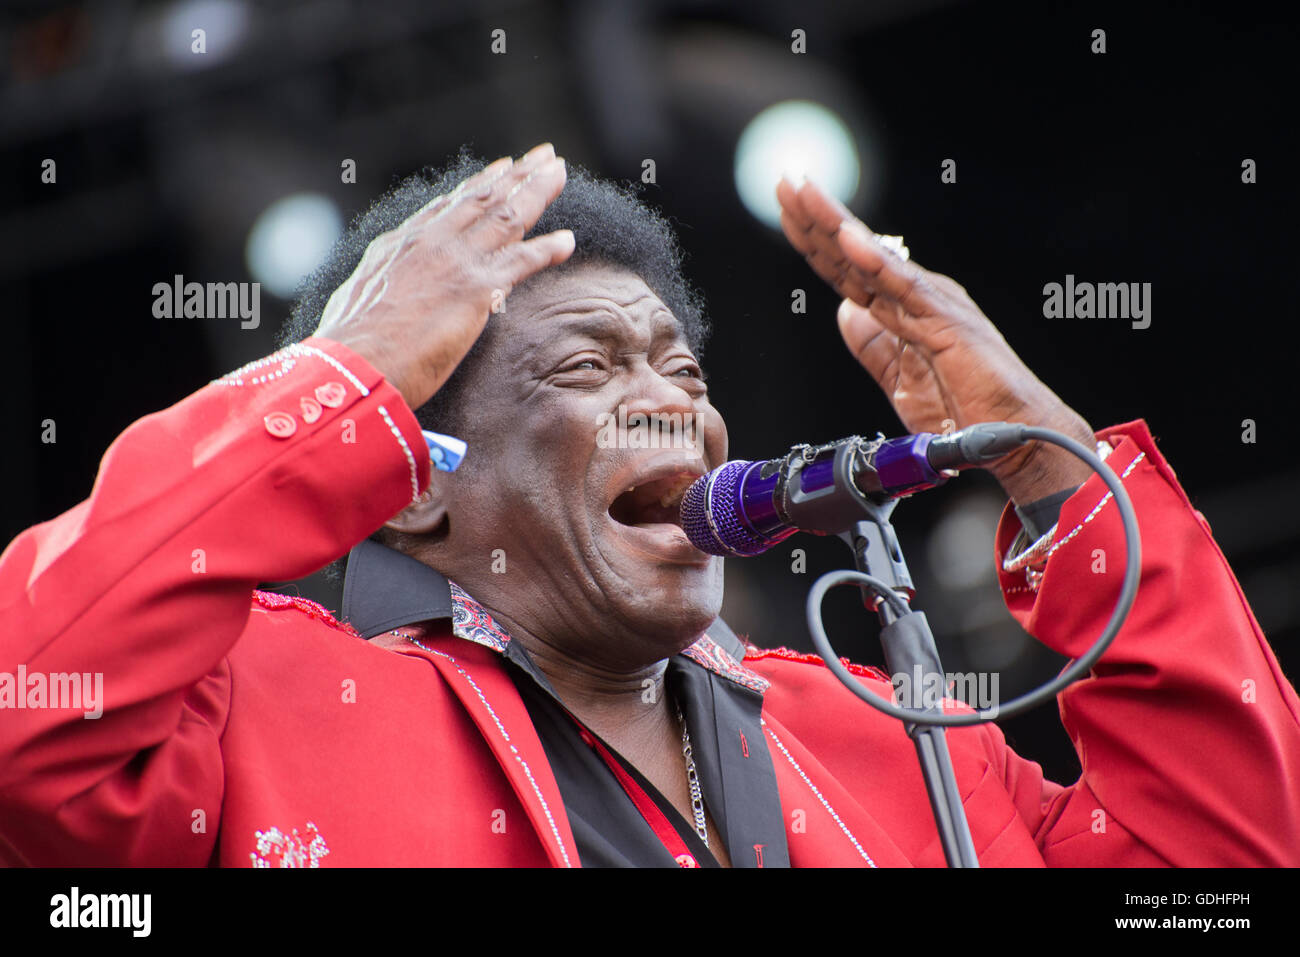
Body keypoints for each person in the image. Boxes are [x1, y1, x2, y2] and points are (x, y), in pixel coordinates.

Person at [1, 143, 1296, 867]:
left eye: (685, 370)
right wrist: (343, 380)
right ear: (412, 497)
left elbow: (1227, 856)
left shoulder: (896, 738)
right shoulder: (264, 718)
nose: (678, 404)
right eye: (586, 368)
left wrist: (1057, 467)